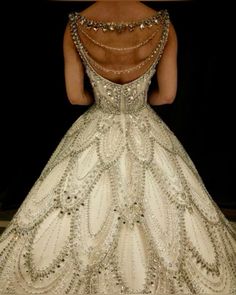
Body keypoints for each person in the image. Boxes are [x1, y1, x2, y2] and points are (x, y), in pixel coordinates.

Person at [0, 1, 236, 294]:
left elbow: (74, 96)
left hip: (99, 122)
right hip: (143, 122)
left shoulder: (77, 24)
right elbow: (168, 95)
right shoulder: (161, 24)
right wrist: (136, 102)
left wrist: (100, 99)